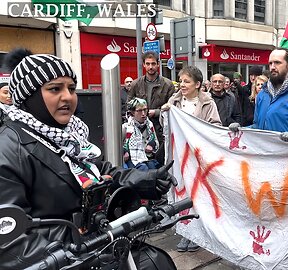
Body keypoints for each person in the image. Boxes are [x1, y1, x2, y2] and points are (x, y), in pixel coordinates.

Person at [0, 52, 176, 269]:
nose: (68, 97)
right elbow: (11, 243)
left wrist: (146, 179)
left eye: (71, 89)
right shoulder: (8, 150)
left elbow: (100, 169)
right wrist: (74, 253)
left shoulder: (70, 136)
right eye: (55, 89)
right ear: (29, 96)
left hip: (97, 248)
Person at [162, 66, 221, 252]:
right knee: (181, 193)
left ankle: (197, 234)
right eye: (181, 80)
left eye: (187, 81)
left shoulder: (208, 103)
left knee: (198, 194)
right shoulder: (174, 101)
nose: (182, 84)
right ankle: (184, 232)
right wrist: (165, 113)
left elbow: (216, 126)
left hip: (197, 158)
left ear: (197, 84)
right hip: (179, 158)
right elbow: (167, 127)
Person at [229, 48, 288, 141]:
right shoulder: (262, 94)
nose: (272, 67)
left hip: (286, 153)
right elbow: (257, 126)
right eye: (270, 63)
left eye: (277, 63)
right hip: (263, 153)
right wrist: (241, 129)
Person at [128, 51, 175, 166]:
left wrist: (156, 112)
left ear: (158, 64)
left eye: (153, 64)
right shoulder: (136, 84)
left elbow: (173, 107)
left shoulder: (168, 84)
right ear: (143, 65)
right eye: (148, 64)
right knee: (141, 164)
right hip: (139, 131)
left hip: (160, 129)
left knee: (160, 163)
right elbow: (128, 106)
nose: (150, 67)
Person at [122, 98, 160, 170]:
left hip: (147, 158)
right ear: (133, 112)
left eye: (145, 110)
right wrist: (124, 152)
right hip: (131, 161)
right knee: (143, 169)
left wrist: (151, 144)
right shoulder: (126, 127)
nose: (143, 114)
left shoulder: (150, 125)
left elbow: (155, 141)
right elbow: (116, 145)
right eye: (139, 111)